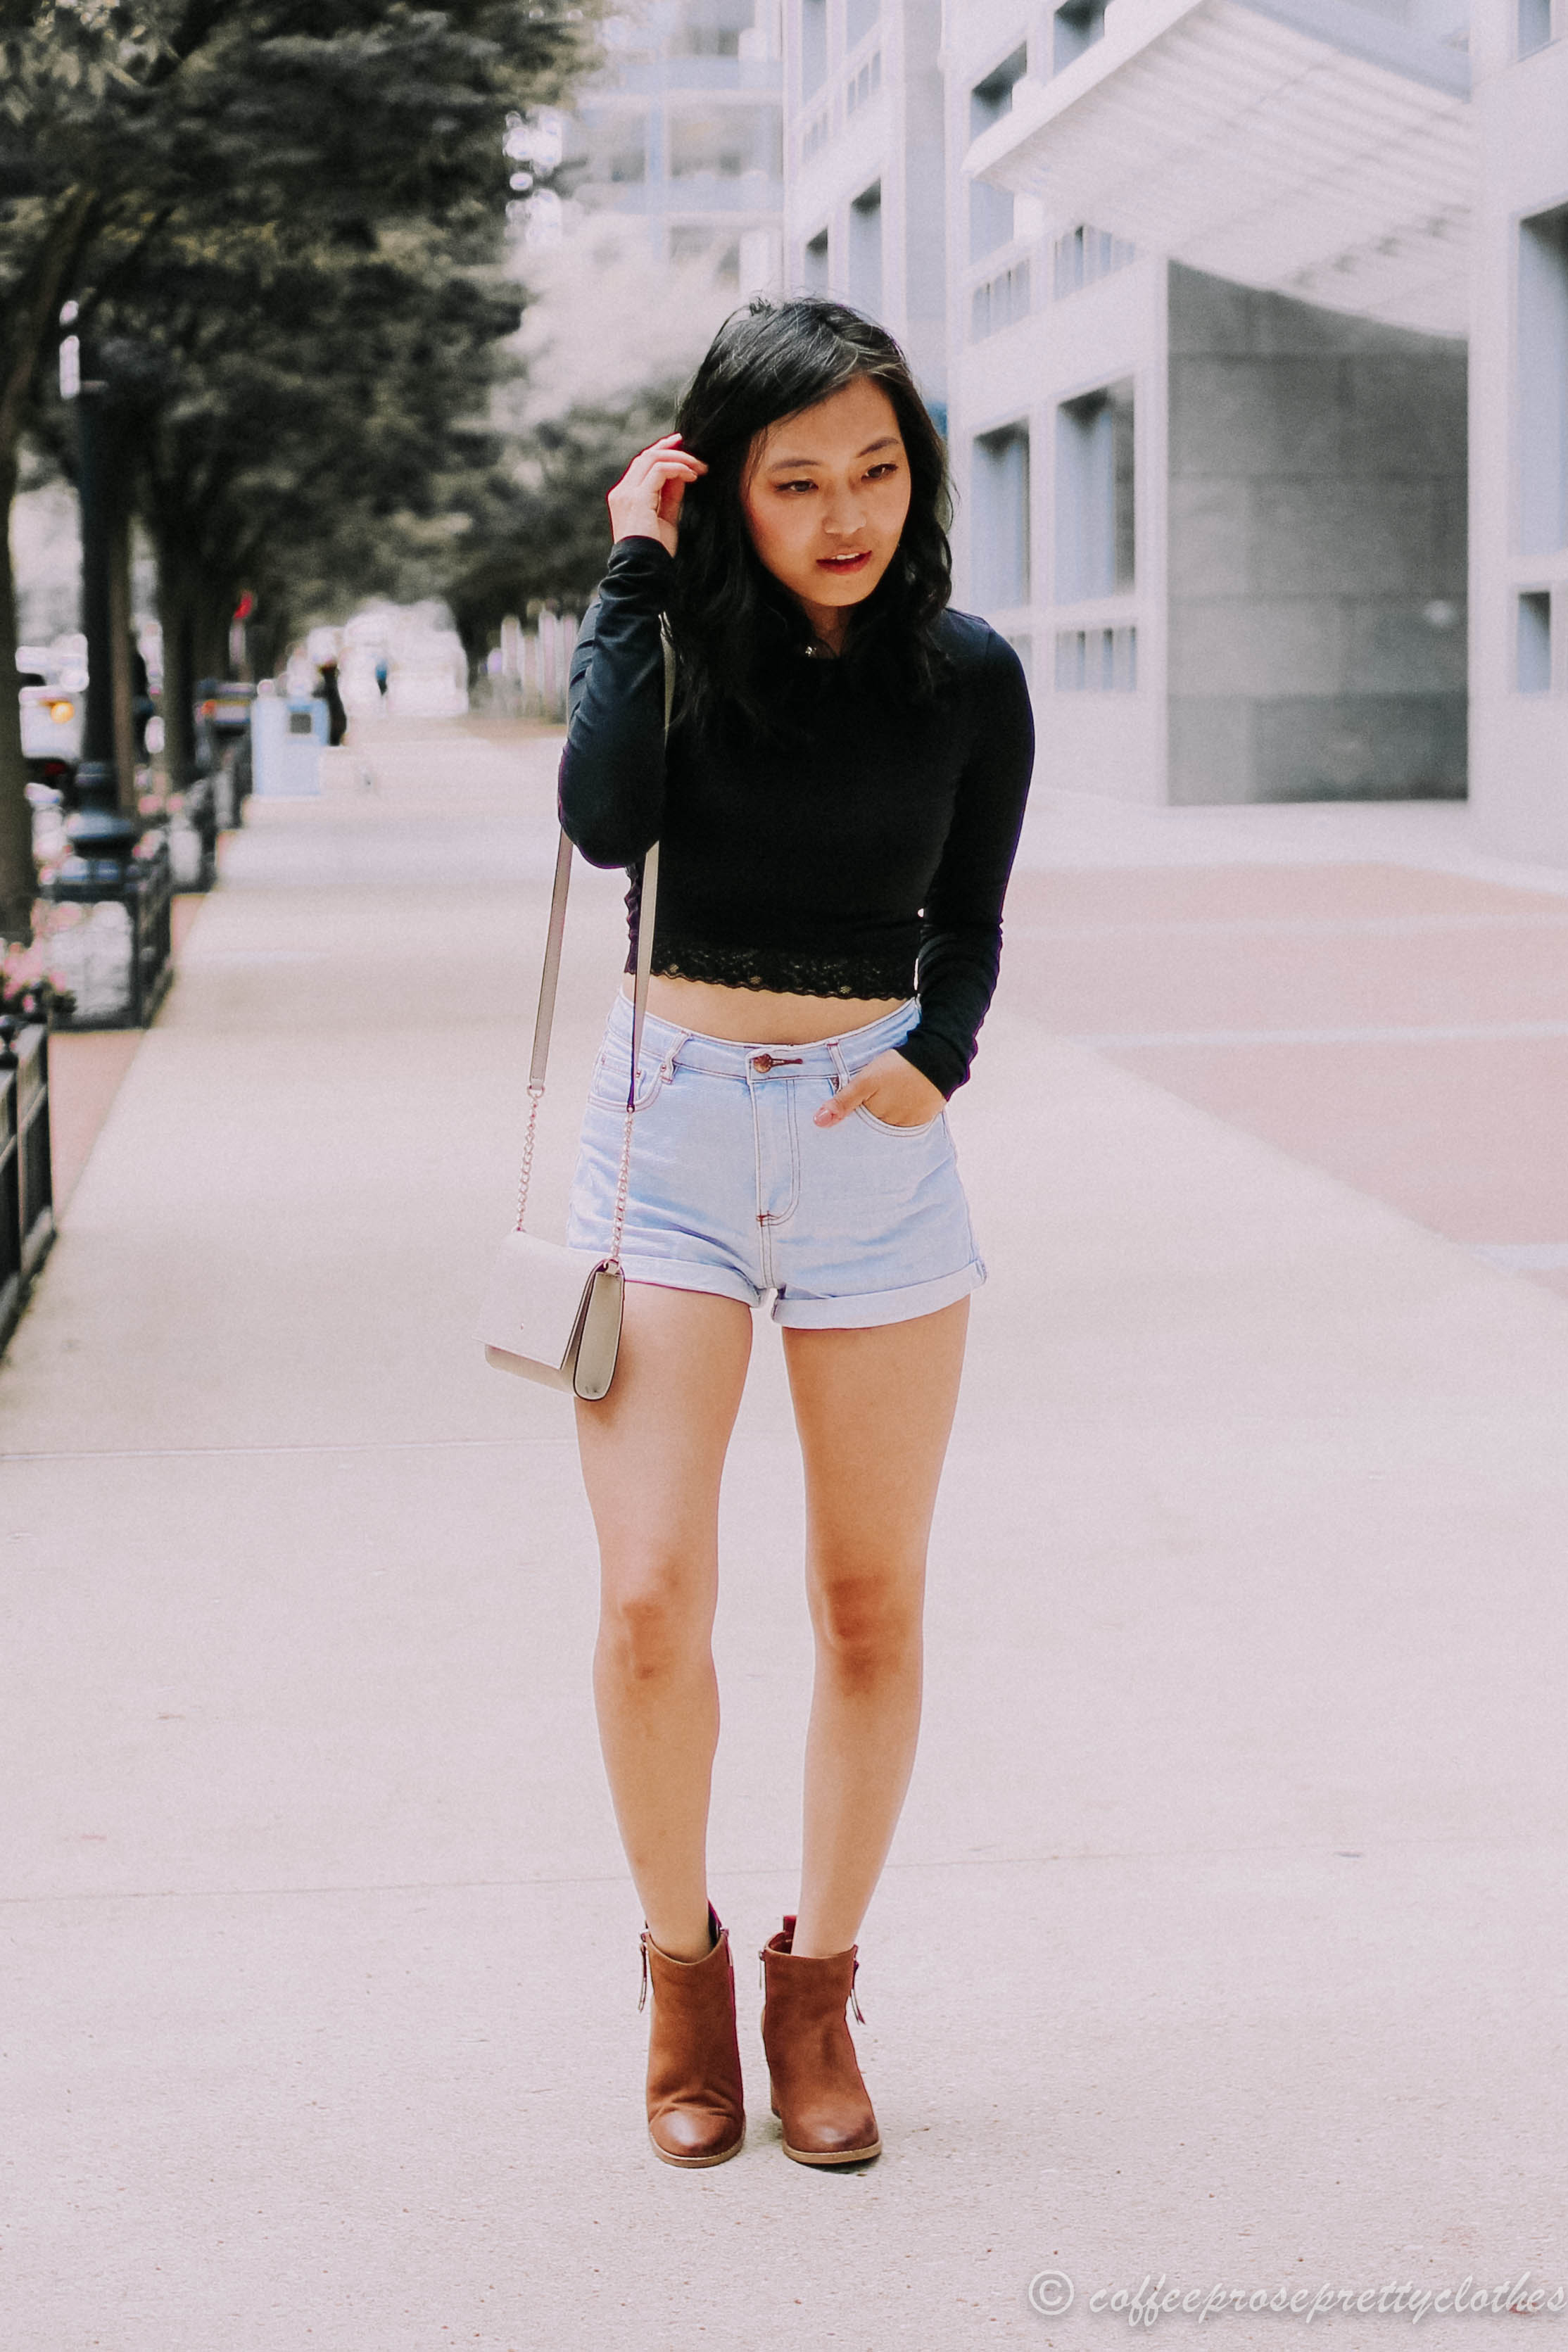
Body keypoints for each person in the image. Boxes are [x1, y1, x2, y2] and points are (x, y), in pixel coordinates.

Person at [557, 297, 1034, 2170]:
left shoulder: (966, 673)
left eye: (877, 469)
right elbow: (605, 828)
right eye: (794, 480)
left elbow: (971, 916)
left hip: (867, 1148)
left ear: (912, 475)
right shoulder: (668, 646)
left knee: (864, 1598)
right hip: (664, 1133)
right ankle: (676, 1975)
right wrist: (630, 574)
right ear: (722, 488)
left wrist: (934, 1062)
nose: (844, 513)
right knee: (651, 1593)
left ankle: (815, 1985)